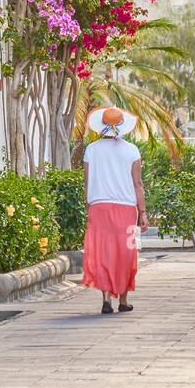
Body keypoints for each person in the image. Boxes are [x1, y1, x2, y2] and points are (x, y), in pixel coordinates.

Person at [81, 106, 148, 314]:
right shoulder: (131, 150)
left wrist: (88, 205)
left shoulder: (91, 149)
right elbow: (138, 184)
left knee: (102, 252)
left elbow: (87, 181)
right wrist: (143, 212)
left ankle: (106, 300)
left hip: (98, 208)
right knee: (126, 253)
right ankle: (123, 300)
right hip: (126, 210)